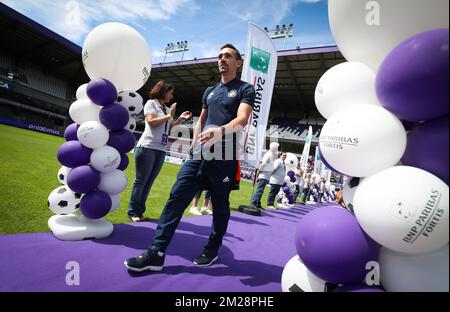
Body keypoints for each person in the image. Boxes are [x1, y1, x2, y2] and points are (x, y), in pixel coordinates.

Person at [124, 44, 255, 272]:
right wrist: (193, 148)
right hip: (198, 154)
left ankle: (212, 248)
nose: (222, 59)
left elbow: (242, 119)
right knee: (176, 197)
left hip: (224, 155)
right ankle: (156, 252)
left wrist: (220, 130)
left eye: (228, 56)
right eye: (220, 55)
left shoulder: (245, 89)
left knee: (220, 206)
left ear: (238, 62)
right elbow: (201, 121)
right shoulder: (210, 91)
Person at [127, 80, 193, 222]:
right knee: (141, 181)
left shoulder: (167, 110)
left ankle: (140, 212)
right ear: (163, 91)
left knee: (149, 182)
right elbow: (151, 122)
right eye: (170, 93)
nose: (172, 96)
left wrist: (179, 119)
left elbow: (168, 128)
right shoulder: (151, 103)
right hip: (148, 147)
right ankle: (133, 212)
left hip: (161, 149)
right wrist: (170, 116)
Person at [242, 142, 279, 215]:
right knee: (259, 190)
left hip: (266, 175)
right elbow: (263, 164)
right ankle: (253, 203)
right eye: (277, 148)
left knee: (261, 190)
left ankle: (257, 203)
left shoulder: (271, 155)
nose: (277, 149)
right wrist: (259, 172)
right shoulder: (268, 154)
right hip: (264, 175)